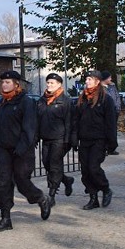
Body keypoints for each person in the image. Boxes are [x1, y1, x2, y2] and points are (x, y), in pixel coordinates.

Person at [0, 70, 51, 231]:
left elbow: (29, 128)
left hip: (22, 151)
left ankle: (41, 198)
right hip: (4, 150)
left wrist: (22, 147)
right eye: (3, 82)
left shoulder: (26, 102)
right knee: (3, 183)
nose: (4, 85)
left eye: (8, 82)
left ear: (16, 84)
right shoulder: (2, 103)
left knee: (22, 182)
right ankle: (5, 218)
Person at [74, 70, 118, 208]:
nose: (86, 82)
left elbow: (111, 123)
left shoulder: (106, 99)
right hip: (84, 140)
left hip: (99, 140)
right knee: (85, 171)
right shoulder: (82, 99)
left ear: (97, 81)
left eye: (89, 79)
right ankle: (93, 198)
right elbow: (76, 120)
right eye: (86, 79)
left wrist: (111, 143)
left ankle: (106, 189)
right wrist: (74, 138)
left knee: (94, 168)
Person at [36, 73, 76, 206]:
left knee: (54, 165)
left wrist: (68, 140)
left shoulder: (65, 101)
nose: (49, 85)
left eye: (52, 83)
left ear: (59, 85)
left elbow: (70, 122)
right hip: (46, 138)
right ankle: (66, 180)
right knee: (46, 163)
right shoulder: (42, 100)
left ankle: (52, 195)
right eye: (48, 82)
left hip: (59, 139)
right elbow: (37, 120)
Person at [100, 71, 121, 154]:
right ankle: (104, 147)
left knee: (113, 130)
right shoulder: (101, 88)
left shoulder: (112, 86)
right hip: (107, 112)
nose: (111, 79)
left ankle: (112, 147)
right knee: (106, 130)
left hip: (115, 111)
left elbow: (117, 97)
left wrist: (118, 108)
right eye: (109, 77)